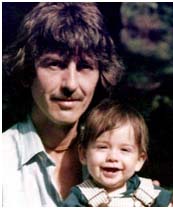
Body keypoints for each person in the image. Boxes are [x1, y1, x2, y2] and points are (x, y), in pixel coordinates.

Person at [2, 3, 124, 206]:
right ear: (27, 72)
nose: (71, 84)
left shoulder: (116, 155)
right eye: (55, 64)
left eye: (85, 66)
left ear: (100, 76)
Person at [62, 99, 173, 207]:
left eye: (124, 150)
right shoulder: (80, 198)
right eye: (102, 147)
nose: (112, 157)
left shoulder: (149, 192)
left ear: (139, 160)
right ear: (83, 154)